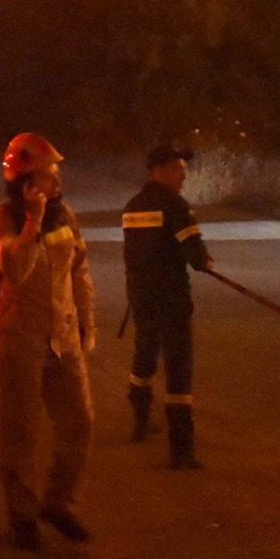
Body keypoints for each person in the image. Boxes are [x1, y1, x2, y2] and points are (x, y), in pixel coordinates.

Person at [0, 132, 94, 551]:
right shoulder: (3, 221)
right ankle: (23, 518)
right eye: (49, 173)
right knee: (22, 434)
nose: (57, 179)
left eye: (56, 172)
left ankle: (58, 503)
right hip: (19, 340)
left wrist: (86, 322)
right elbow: (15, 271)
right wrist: (32, 220)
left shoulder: (66, 217)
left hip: (63, 338)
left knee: (80, 422)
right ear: (25, 182)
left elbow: (79, 272)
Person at [122, 143, 213, 469]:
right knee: (178, 369)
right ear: (157, 171)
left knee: (144, 355)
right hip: (172, 298)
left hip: (141, 296)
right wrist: (205, 261)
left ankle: (141, 416)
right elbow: (197, 257)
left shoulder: (132, 207)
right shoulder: (176, 206)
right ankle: (181, 449)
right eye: (177, 170)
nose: (182, 177)